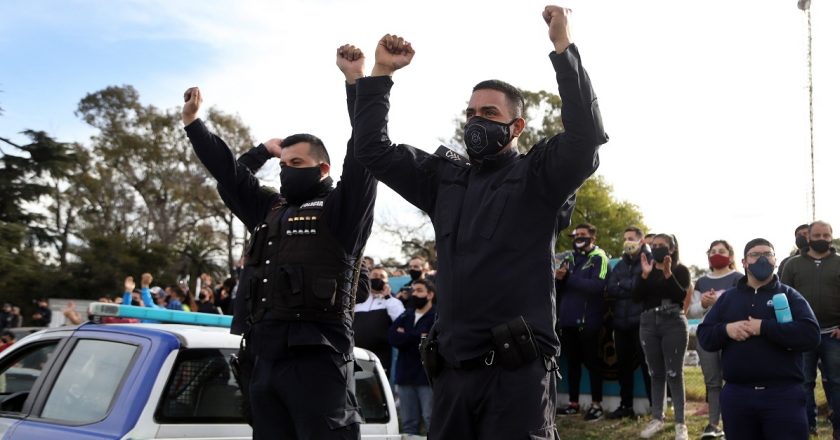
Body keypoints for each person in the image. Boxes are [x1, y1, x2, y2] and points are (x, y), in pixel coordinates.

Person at [352, 6, 607, 438]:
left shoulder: (537, 175)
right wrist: (379, 74)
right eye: (470, 114)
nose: (475, 122)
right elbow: (373, 150)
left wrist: (562, 47)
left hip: (517, 379)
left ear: (516, 126)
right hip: (452, 376)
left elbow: (585, 138)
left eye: (488, 114)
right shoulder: (443, 178)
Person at [182, 43, 376, 440]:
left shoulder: (343, 208)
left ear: (322, 168)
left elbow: (363, 153)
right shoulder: (271, 209)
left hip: (317, 357)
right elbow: (231, 176)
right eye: (283, 164)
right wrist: (194, 124)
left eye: (296, 164)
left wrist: (355, 83)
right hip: (262, 356)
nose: (287, 171)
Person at [698, 238, 820, 440]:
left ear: (775, 260)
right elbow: (705, 336)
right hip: (738, 396)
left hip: (784, 396)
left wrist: (764, 327)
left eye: (767, 254)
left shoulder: (790, 296)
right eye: (755, 255)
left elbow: (810, 335)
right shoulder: (728, 299)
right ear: (744, 262)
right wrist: (726, 330)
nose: (762, 259)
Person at [782, 220, 840, 437]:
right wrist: (791, 328)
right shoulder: (793, 265)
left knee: (836, 382)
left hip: (834, 334)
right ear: (809, 238)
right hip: (803, 334)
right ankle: (807, 426)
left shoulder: (839, 263)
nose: (822, 239)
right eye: (817, 235)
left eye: (826, 235)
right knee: (803, 382)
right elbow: (783, 296)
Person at [633, 234, 691, 440]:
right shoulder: (646, 269)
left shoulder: (680, 270)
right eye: (653, 245)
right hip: (648, 323)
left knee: (674, 373)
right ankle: (657, 418)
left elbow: (680, 296)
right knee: (655, 373)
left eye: (661, 246)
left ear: (672, 249)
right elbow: (636, 297)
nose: (656, 248)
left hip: (673, 321)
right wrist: (645, 276)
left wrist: (667, 273)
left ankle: (680, 424)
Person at [686, 239, 742, 438]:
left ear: (731, 256)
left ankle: (732, 425)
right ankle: (713, 425)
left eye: (721, 250)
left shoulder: (738, 278)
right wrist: (702, 303)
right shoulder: (701, 281)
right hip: (707, 336)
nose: (717, 254)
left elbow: (743, 307)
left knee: (732, 380)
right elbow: (692, 312)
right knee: (712, 383)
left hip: (732, 335)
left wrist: (719, 300)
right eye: (713, 251)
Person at [555, 223, 609, 420]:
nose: (578, 237)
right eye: (576, 234)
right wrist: (559, 279)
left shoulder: (599, 257)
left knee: (592, 363)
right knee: (573, 364)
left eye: (583, 234)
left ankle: (596, 405)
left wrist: (568, 277)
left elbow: (597, 286)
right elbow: (561, 290)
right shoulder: (568, 258)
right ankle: (573, 404)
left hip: (588, 321)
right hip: (567, 320)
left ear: (592, 237)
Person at [605, 226, 652, 419]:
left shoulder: (649, 260)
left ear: (641, 241)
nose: (627, 242)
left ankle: (655, 407)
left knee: (647, 366)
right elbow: (610, 288)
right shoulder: (620, 264)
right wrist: (631, 286)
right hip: (620, 324)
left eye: (630, 238)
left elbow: (641, 289)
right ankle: (626, 406)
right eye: (625, 238)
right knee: (623, 367)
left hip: (642, 322)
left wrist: (625, 285)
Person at [388, 279, 437, 435]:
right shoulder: (406, 314)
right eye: (413, 290)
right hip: (405, 377)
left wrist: (406, 336)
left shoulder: (436, 316)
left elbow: (430, 343)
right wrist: (417, 337)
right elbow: (392, 337)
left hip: (426, 378)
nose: (414, 294)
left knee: (432, 420)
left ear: (430, 295)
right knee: (409, 424)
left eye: (419, 290)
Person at [353, 266, 405, 372]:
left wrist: (387, 297)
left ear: (387, 281)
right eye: (375, 275)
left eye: (382, 276)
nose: (378, 278)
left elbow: (401, 320)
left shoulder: (392, 301)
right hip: (355, 352)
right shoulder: (357, 300)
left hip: (381, 355)